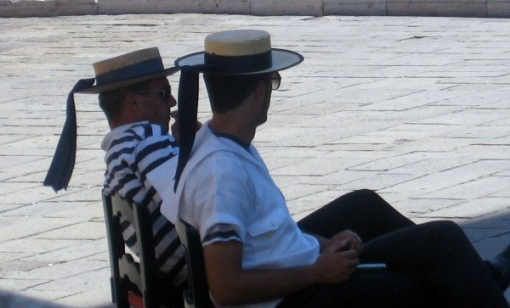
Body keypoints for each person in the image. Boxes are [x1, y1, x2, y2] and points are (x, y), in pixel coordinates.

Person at [161, 29, 510, 308]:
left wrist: (322, 246)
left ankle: (479, 280)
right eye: (273, 82)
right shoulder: (222, 171)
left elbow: (268, 239)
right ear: (258, 90)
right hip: (296, 297)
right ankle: (481, 282)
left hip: (299, 276)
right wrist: (316, 272)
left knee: (409, 231)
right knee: (438, 257)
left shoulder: (219, 143)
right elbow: (226, 289)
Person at [43, 47, 187, 291]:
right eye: (164, 93)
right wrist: (204, 146)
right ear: (133, 103)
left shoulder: (120, 149)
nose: (172, 102)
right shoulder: (147, 139)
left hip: (171, 270)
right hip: (203, 272)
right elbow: (193, 201)